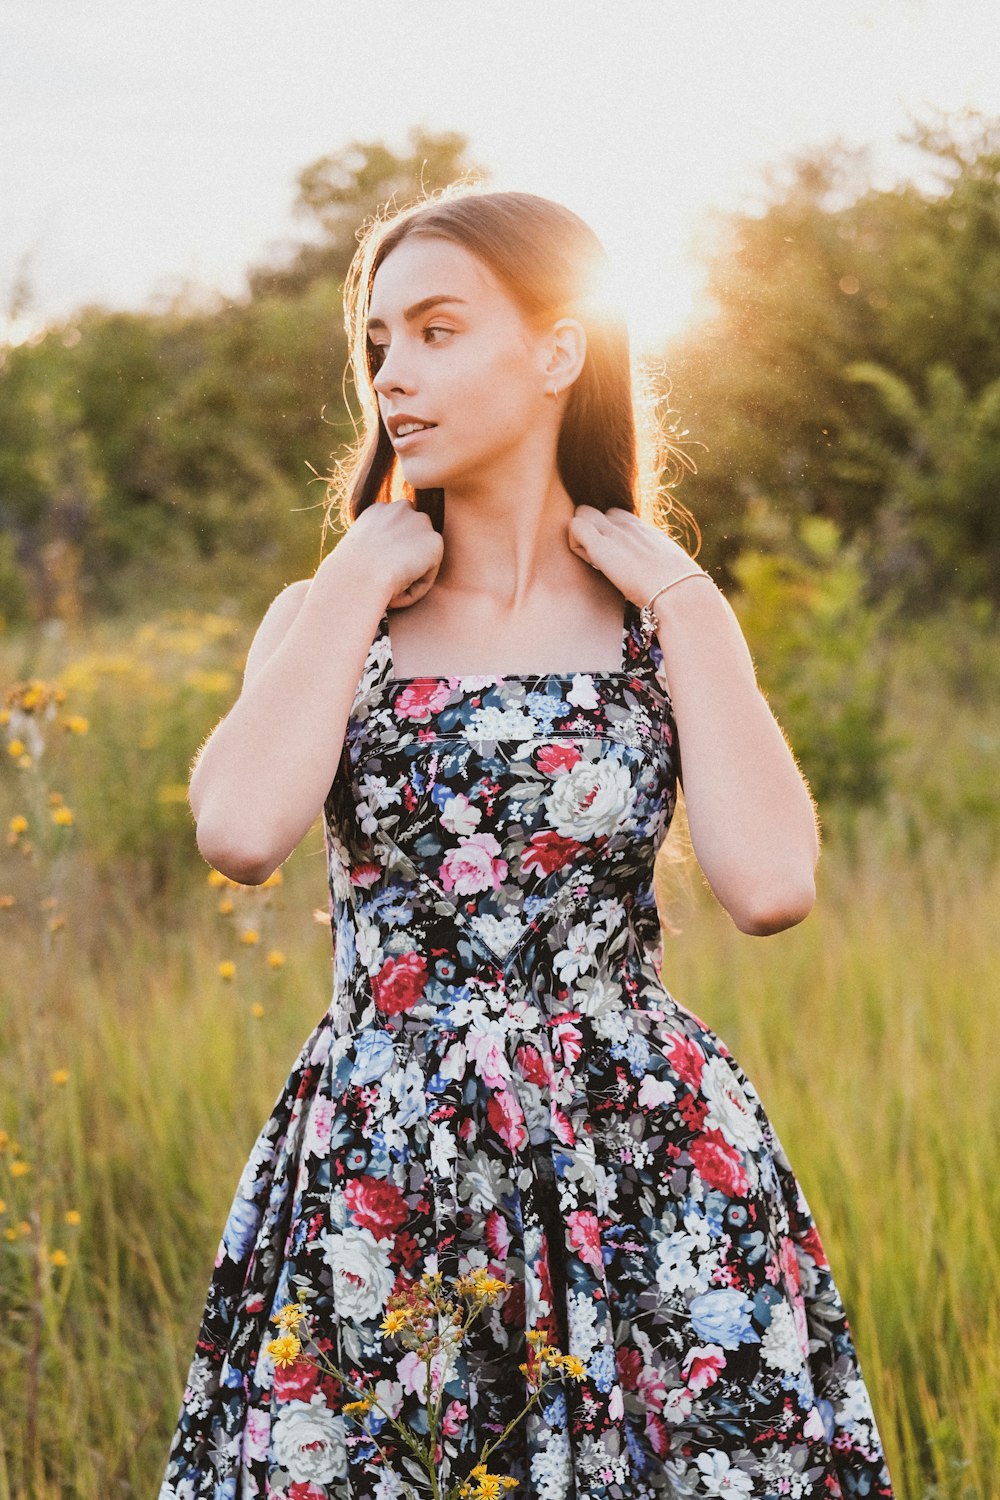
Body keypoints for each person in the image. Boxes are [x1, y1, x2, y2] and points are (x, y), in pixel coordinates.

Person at [159, 188, 895, 1499]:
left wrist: (689, 603)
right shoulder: (332, 618)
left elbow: (774, 885)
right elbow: (239, 830)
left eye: (439, 331)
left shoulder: (655, 622)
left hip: (638, 1158)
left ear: (559, 352)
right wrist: (350, 577)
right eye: (381, 340)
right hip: (392, 1156)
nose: (394, 373)